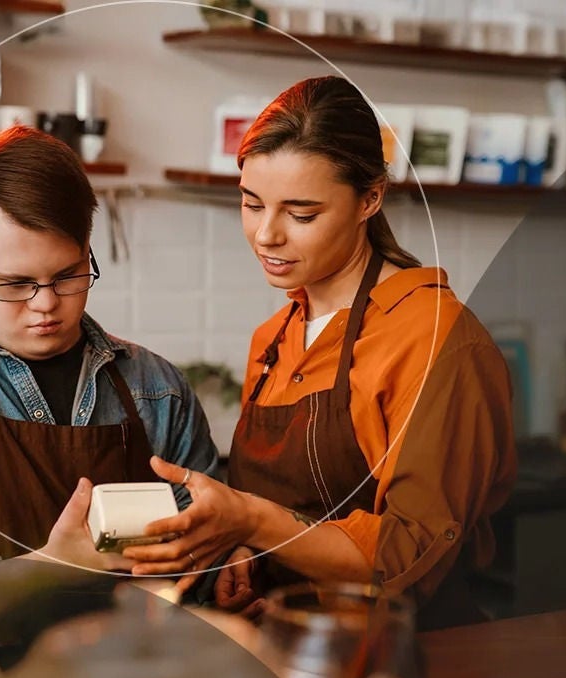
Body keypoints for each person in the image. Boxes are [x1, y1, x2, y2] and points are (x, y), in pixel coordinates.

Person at [124, 75, 516, 630]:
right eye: (251, 204)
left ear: (370, 199)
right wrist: (248, 559)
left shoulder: (437, 340)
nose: (266, 235)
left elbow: (409, 558)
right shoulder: (275, 337)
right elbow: (289, 517)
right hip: (296, 650)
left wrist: (252, 523)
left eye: (301, 214)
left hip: (410, 659)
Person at [0, 126, 220, 653]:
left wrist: (216, 562)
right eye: (14, 284)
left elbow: (211, 562)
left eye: (67, 274)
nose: (45, 304)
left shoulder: (159, 390)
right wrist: (52, 567)